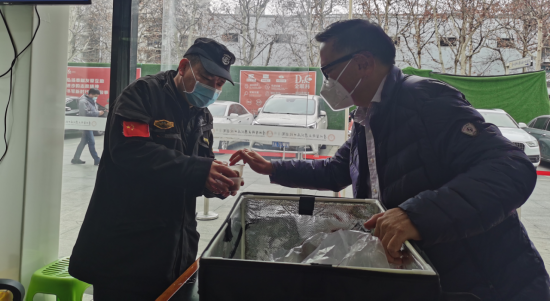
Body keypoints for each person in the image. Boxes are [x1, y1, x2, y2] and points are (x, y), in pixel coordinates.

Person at [231, 19, 550, 301]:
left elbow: (511, 168)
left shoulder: (426, 100)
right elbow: (336, 170)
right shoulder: (366, 117)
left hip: (486, 282)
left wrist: (417, 216)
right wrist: (273, 167)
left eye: (328, 71)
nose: (326, 82)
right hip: (426, 277)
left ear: (363, 63)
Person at [69, 38, 241, 301]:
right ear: (183, 67)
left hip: (176, 251)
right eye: (207, 78)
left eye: (219, 84)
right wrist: (200, 170)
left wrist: (216, 181)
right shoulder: (142, 95)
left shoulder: (202, 115)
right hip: (126, 252)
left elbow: (199, 165)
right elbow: (130, 151)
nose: (212, 88)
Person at [72, 88, 104, 166]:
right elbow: (84, 113)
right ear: (90, 94)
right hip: (85, 124)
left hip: (90, 123)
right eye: (95, 96)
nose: (96, 97)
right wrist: (97, 113)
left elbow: (92, 110)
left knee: (83, 142)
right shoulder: (83, 101)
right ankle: (97, 159)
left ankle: (76, 158)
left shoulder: (91, 101)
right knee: (91, 141)